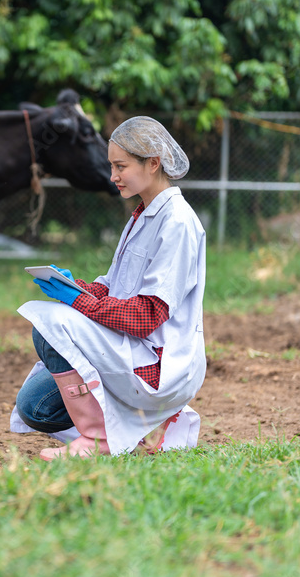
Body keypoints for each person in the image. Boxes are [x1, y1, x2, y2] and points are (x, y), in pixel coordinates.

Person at [11, 116, 206, 460]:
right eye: (111, 166)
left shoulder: (176, 221)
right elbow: (114, 291)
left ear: (153, 163)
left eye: (120, 166)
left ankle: (99, 440)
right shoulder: (143, 215)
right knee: (35, 408)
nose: (113, 176)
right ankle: (141, 430)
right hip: (128, 347)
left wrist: (77, 302)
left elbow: (147, 316)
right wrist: (74, 286)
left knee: (49, 323)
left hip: (159, 362)